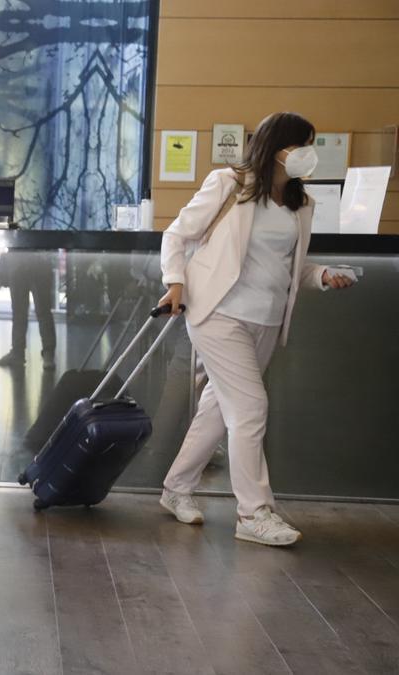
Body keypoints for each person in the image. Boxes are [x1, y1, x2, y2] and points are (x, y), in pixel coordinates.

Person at [157, 112, 356, 546]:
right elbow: (175, 234)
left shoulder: (301, 204)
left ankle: (176, 488)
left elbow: (292, 267)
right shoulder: (229, 184)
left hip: (266, 320)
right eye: (304, 143)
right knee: (250, 408)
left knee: (217, 410)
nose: (309, 153)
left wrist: (322, 275)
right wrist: (175, 282)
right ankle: (253, 512)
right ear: (277, 145)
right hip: (217, 313)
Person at [0, 250, 58, 371]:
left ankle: (18, 353)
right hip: (38, 259)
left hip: (19, 260)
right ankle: (48, 354)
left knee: (20, 312)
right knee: (43, 311)